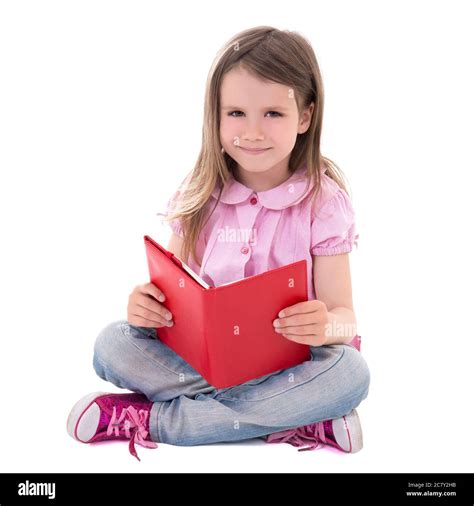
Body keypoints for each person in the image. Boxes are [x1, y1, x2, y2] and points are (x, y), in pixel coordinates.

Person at [66, 26, 370, 461]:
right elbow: (172, 297)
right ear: (216, 115)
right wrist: (145, 310)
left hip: (295, 366)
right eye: (236, 113)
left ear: (305, 117)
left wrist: (326, 326)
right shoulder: (200, 192)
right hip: (205, 365)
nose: (252, 132)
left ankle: (154, 420)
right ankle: (296, 417)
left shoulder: (322, 202)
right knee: (111, 342)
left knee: (351, 373)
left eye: (273, 114)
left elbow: (347, 322)